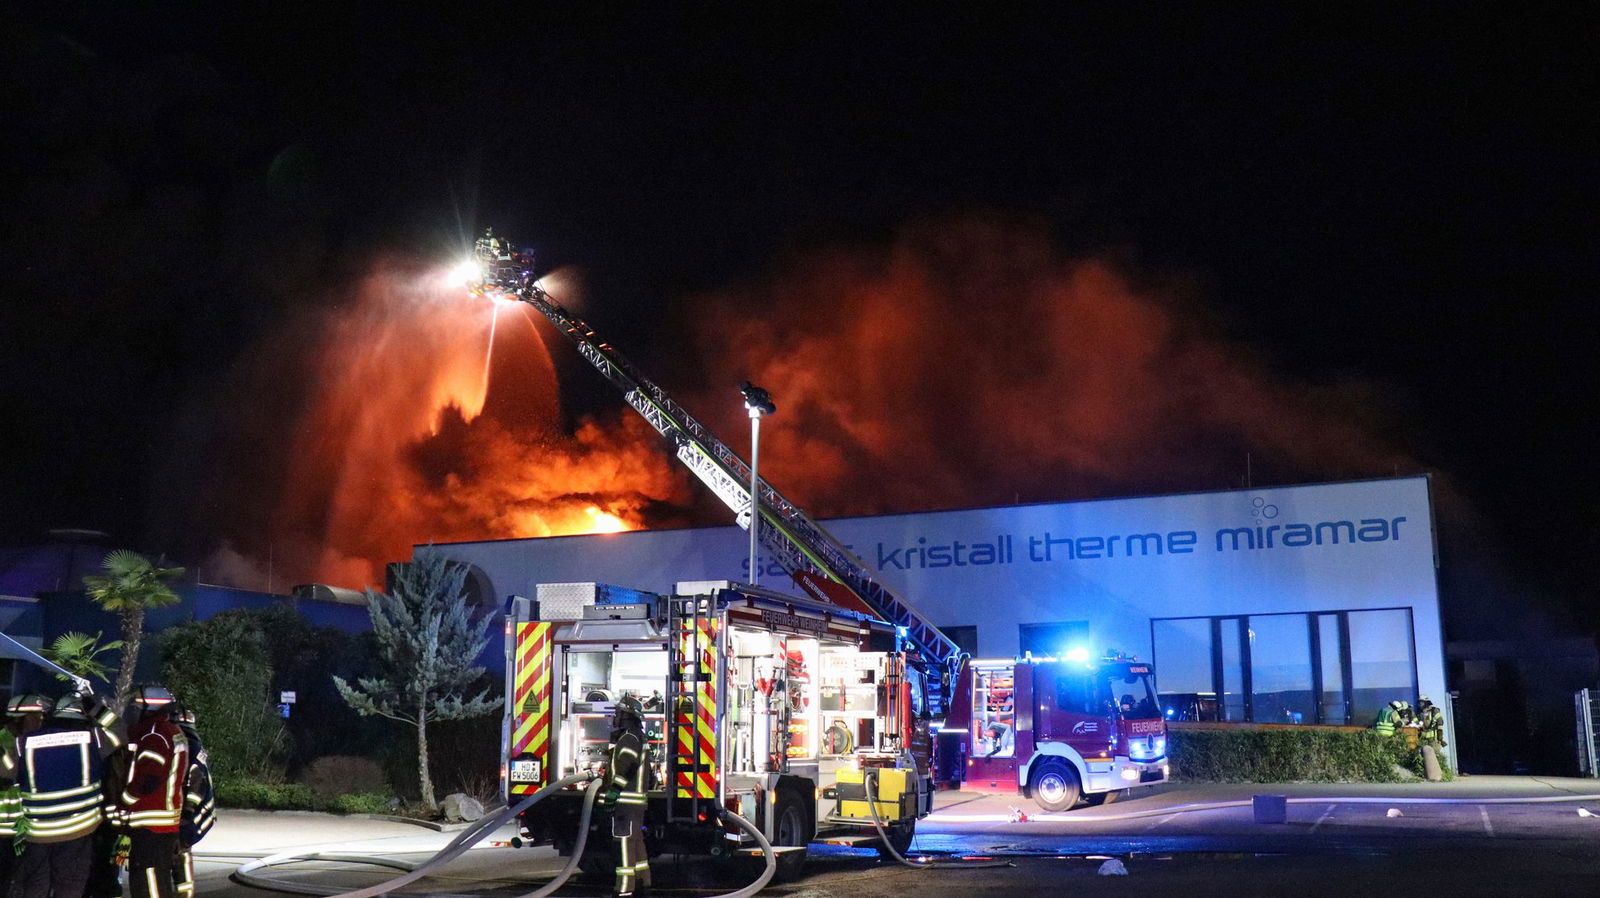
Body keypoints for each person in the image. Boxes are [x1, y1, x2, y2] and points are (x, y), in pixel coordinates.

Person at [4, 693, 107, 898]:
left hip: (37, 834)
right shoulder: (91, 739)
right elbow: (118, 732)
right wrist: (96, 707)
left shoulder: (24, 743)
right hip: (78, 832)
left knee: (36, 887)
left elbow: (6, 771)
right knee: (69, 888)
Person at [114, 684, 191, 898]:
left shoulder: (154, 735)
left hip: (150, 825)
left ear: (149, 709)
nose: (135, 712)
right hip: (162, 825)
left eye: (138, 707)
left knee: (149, 882)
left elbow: (148, 779)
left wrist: (125, 800)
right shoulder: (171, 731)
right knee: (157, 879)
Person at [0, 695, 52, 898]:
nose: (40, 721)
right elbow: (12, 774)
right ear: (18, 717)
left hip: (21, 830)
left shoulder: (29, 743)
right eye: (35, 716)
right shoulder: (4, 742)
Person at [601, 694, 651, 898]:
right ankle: (642, 882)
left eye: (619, 713)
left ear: (627, 716)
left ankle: (623, 890)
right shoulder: (636, 735)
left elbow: (626, 766)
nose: (616, 717)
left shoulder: (629, 737)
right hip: (634, 802)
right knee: (635, 843)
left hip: (625, 802)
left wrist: (613, 790)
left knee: (623, 845)